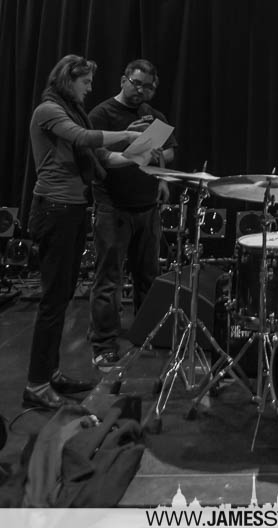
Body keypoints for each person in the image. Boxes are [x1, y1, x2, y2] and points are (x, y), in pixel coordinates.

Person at [25, 55, 146, 411]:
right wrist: (129, 133)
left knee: (61, 297)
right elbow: (83, 137)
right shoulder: (49, 111)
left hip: (73, 210)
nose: (90, 88)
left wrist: (139, 153)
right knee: (52, 301)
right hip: (55, 211)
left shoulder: (72, 113)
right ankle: (36, 384)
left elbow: (104, 158)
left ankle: (49, 373)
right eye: (86, 82)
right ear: (68, 79)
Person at [89, 59, 178, 369]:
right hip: (113, 207)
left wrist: (162, 177)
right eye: (137, 83)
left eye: (148, 87)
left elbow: (169, 150)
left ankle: (146, 333)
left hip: (147, 207)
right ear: (123, 79)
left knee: (148, 277)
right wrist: (139, 151)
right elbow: (103, 158)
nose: (141, 91)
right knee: (109, 280)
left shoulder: (153, 116)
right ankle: (103, 344)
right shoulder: (101, 115)